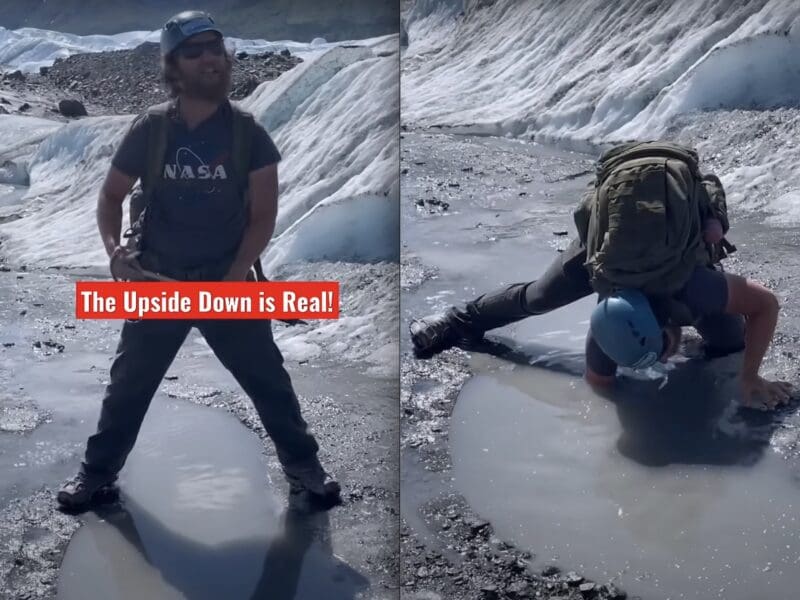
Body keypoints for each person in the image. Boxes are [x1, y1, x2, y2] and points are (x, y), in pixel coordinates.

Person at [58, 11, 340, 511]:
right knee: (128, 388)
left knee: (269, 382)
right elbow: (110, 197)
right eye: (195, 51)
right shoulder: (151, 129)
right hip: (157, 281)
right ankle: (97, 475)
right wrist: (114, 255)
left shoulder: (248, 134)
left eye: (215, 47)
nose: (210, 57)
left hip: (226, 280)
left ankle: (305, 469)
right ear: (174, 66)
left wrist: (233, 280)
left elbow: (262, 218)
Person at [411, 142, 793, 411]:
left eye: (657, 353)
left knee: (730, 344)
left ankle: (707, 223)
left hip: (675, 226)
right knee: (540, 297)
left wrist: (751, 377)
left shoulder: (697, 287)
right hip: (611, 245)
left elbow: (767, 304)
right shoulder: (606, 322)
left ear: (665, 330)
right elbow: (600, 387)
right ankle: (458, 318)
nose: (660, 361)